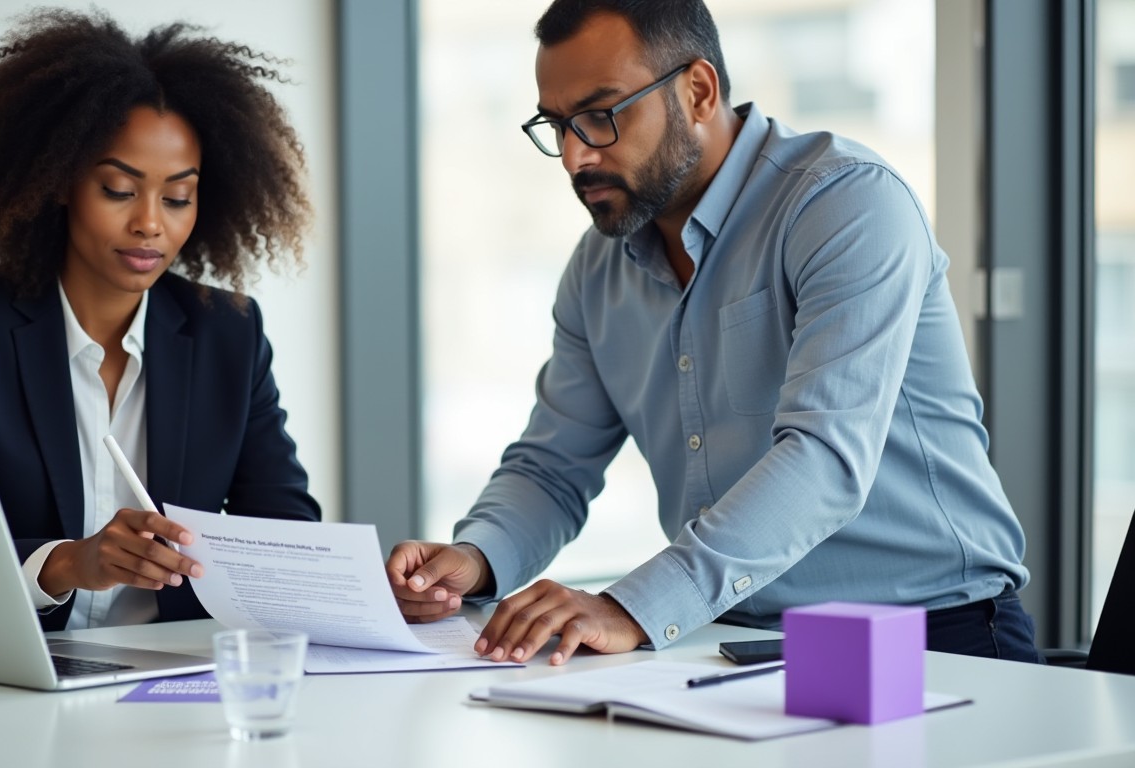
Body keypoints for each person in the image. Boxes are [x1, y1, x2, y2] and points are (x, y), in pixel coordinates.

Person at [388, 0, 1043, 665]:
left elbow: (824, 459)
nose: (574, 157)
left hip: (933, 634)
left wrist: (632, 606)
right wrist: (475, 556)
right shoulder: (597, 270)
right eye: (557, 126)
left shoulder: (847, 203)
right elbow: (553, 467)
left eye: (601, 116)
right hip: (738, 644)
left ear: (697, 91)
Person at [0, 9, 320, 632]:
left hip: (176, 681)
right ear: (61, 181)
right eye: (120, 189)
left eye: (178, 197)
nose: (151, 222)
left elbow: (284, 532)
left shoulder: (229, 333)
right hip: (15, 677)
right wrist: (67, 564)